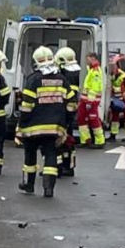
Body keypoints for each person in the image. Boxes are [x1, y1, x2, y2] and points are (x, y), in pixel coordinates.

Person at [17, 47, 73, 198]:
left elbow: (26, 106)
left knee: (30, 154)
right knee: (50, 154)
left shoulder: (32, 79)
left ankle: (29, 185)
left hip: (33, 127)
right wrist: (66, 122)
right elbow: (72, 103)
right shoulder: (62, 80)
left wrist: (21, 125)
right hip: (54, 127)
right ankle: (49, 189)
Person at [55, 47, 82, 177]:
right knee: (69, 140)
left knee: (60, 140)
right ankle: (69, 166)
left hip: (62, 111)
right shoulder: (74, 73)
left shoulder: (65, 75)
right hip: (70, 111)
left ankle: (59, 167)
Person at [77, 53, 106, 148]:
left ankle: (100, 141)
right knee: (81, 119)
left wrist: (90, 101)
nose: (86, 61)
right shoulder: (91, 70)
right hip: (85, 100)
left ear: (93, 59)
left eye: (88, 59)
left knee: (94, 120)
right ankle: (85, 140)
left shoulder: (96, 71)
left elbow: (95, 88)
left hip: (91, 101)